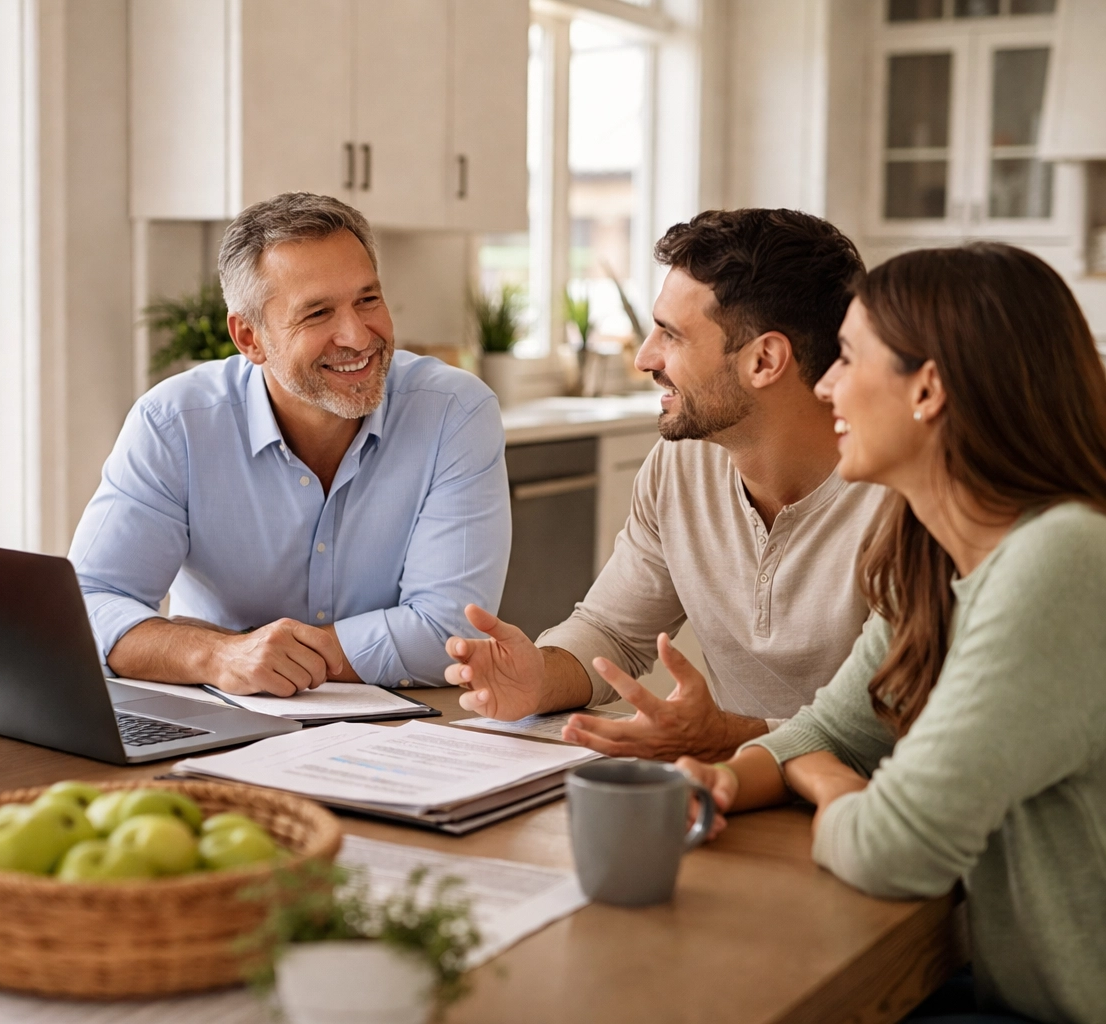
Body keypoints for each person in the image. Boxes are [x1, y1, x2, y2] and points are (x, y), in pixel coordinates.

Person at [681, 243, 1106, 1023]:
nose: (827, 384)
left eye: (846, 357)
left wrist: (830, 781)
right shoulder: (934, 555)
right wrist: (730, 779)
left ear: (929, 388)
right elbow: (829, 729)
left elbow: (893, 849)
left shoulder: (1064, 559)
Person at [447, 209, 883, 762]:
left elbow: (889, 724)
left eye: (671, 336)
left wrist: (726, 735)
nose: (645, 357)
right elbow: (611, 631)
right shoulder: (680, 465)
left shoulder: (902, 495)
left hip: (866, 803)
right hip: (734, 792)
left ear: (765, 360)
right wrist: (537, 677)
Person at [70, 192, 510, 695]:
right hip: (221, 728)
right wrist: (218, 655)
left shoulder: (455, 412)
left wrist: (262, 656)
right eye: (318, 313)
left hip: (404, 729)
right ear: (250, 338)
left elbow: (450, 634)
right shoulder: (175, 423)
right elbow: (88, 604)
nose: (357, 335)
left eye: (368, 299)